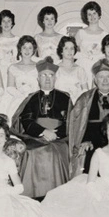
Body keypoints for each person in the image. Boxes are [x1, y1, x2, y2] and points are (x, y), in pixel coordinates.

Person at [12, 57, 73, 198]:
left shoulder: (65, 98)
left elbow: (71, 121)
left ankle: (56, 195)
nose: (47, 79)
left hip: (60, 138)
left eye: (50, 75)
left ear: (55, 78)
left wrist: (56, 134)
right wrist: (43, 132)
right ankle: (33, 195)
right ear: (38, 79)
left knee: (53, 151)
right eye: (43, 75)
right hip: (36, 137)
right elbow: (26, 120)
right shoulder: (31, 98)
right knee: (31, 152)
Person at [67, 59, 109, 176]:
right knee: (88, 157)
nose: (105, 80)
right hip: (92, 141)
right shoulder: (85, 98)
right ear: (95, 80)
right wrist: (84, 141)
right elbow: (78, 125)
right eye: (101, 77)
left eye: (108, 77)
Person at [5, 35, 40, 118]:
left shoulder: (39, 66)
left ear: (34, 50)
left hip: (35, 100)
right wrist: (22, 95)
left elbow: (41, 85)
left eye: (30, 48)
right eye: (24, 47)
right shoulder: (13, 67)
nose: (27, 50)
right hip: (18, 99)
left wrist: (32, 96)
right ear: (20, 49)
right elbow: (10, 87)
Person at [75, 1, 106, 80]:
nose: (92, 16)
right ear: (86, 17)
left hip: (98, 66)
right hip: (83, 65)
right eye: (89, 14)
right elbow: (73, 51)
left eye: (94, 13)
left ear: (99, 15)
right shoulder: (80, 33)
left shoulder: (105, 34)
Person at [54, 36, 89, 103]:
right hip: (59, 104)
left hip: (77, 106)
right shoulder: (55, 69)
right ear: (61, 51)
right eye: (66, 48)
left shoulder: (80, 70)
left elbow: (86, 92)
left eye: (72, 48)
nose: (69, 51)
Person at [0, 9, 20, 86]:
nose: (6, 23)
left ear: (12, 23)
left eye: (9, 21)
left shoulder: (18, 40)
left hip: (14, 72)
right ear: (0, 23)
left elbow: (20, 58)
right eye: (4, 21)